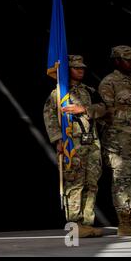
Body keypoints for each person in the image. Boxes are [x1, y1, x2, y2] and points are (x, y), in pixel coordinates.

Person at [43, 55, 106, 237]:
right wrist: (58, 140)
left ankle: (88, 223)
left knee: (91, 183)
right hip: (73, 144)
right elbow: (50, 117)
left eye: (83, 68)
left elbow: (103, 109)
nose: (81, 70)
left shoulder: (89, 91)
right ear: (66, 70)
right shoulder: (59, 93)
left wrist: (85, 110)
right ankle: (75, 224)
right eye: (76, 67)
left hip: (91, 142)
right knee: (74, 184)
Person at [99, 45, 131, 236]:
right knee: (122, 180)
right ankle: (124, 222)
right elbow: (106, 113)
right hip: (119, 142)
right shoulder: (108, 83)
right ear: (117, 61)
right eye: (127, 59)